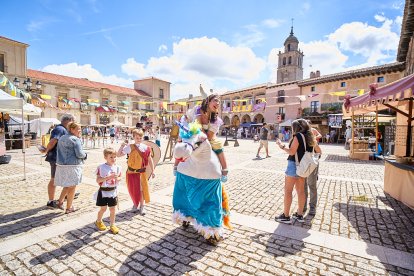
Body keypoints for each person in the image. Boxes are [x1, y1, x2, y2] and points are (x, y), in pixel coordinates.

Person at [172, 123, 231, 245]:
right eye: (214, 101)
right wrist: (176, 165)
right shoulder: (195, 117)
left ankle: (211, 231)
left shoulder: (214, 120)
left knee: (208, 200)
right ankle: (187, 216)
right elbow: (181, 146)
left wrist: (224, 169)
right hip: (189, 164)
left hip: (204, 152)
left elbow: (218, 147)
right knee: (186, 197)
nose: (216, 103)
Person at [275, 119, 321, 224]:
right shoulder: (310, 137)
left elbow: (291, 151)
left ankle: (286, 216)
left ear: (296, 128)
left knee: (288, 191)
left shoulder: (298, 136)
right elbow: (319, 151)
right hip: (303, 167)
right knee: (301, 191)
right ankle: (300, 215)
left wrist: (281, 145)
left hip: (293, 165)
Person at [117, 129, 155, 215]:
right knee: (133, 190)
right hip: (131, 173)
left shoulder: (146, 148)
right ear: (133, 137)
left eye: (140, 137)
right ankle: (135, 204)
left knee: (141, 190)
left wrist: (153, 171)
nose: (139, 139)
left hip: (141, 173)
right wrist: (122, 146)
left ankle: (142, 206)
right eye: (137, 137)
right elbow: (118, 155)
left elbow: (150, 159)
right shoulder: (130, 147)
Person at [41, 114, 75, 208]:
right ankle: (51, 201)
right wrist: (46, 150)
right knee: (54, 179)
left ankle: (67, 194)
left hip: (60, 158)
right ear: (69, 120)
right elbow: (53, 141)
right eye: (73, 121)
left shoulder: (63, 129)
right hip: (56, 158)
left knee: (64, 178)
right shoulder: (60, 129)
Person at [54, 122, 87, 214]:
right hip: (73, 165)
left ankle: (60, 202)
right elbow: (80, 154)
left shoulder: (61, 138)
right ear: (72, 129)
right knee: (72, 187)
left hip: (62, 165)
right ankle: (69, 208)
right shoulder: (75, 139)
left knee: (67, 185)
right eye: (78, 129)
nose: (80, 131)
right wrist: (85, 155)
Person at [196, 94, 229, 181]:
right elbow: (197, 123)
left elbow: (209, 136)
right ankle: (177, 165)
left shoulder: (216, 120)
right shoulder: (199, 110)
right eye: (215, 100)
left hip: (209, 138)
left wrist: (201, 133)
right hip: (197, 134)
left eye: (219, 102)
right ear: (208, 101)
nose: (218, 103)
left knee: (217, 146)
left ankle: (225, 170)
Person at [95, 148, 121, 234]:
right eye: (111, 157)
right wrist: (107, 178)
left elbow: (120, 178)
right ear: (105, 157)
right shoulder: (101, 167)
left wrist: (118, 178)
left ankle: (112, 225)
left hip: (112, 192)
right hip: (103, 191)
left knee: (112, 209)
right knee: (103, 209)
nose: (113, 159)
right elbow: (98, 180)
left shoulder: (117, 167)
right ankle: (98, 221)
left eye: (115, 157)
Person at [304, 120, 323, 215]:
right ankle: (303, 205)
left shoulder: (312, 132)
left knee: (311, 185)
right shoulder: (299, 136)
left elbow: (319, 151)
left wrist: (314, 138)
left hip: (311, 163)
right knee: (304, 186)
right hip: (302, 165)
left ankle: (312, 206)